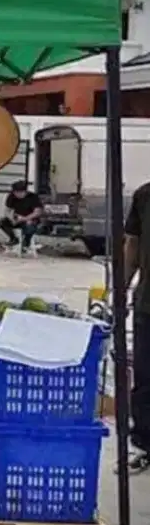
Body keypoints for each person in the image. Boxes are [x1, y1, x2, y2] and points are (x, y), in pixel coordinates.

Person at [124, 184, 150, 472]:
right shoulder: (145, 196)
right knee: (145, 379)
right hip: (148, 304)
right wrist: (122, 284)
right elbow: (132, 243)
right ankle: (145, 445)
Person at [0, 180, 42, 255]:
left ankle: (26, 243)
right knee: (2, 222)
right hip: (17, 218)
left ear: (24, 191)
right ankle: (13, 238)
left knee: (30, 227)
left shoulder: (33, 197)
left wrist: (25, 218)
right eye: (15, 193)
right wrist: (11, 218)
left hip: (30, 218)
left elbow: (37, 212)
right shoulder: (11, 196)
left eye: (19, 193)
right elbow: (7, 210)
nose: (17, 195)